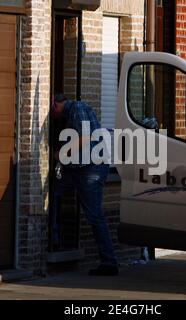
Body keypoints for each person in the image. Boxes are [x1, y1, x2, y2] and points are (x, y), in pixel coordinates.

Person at [50, 93, 119, 276]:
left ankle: (109, 262)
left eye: (52, 110)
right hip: (78, 168)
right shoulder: (71, 113)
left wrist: (61, 153)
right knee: (54, 191)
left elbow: (85, 137)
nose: (53, 115)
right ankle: (54, 238)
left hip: (90, 169)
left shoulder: (77, 108)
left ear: (56, 104)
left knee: (94, 215)